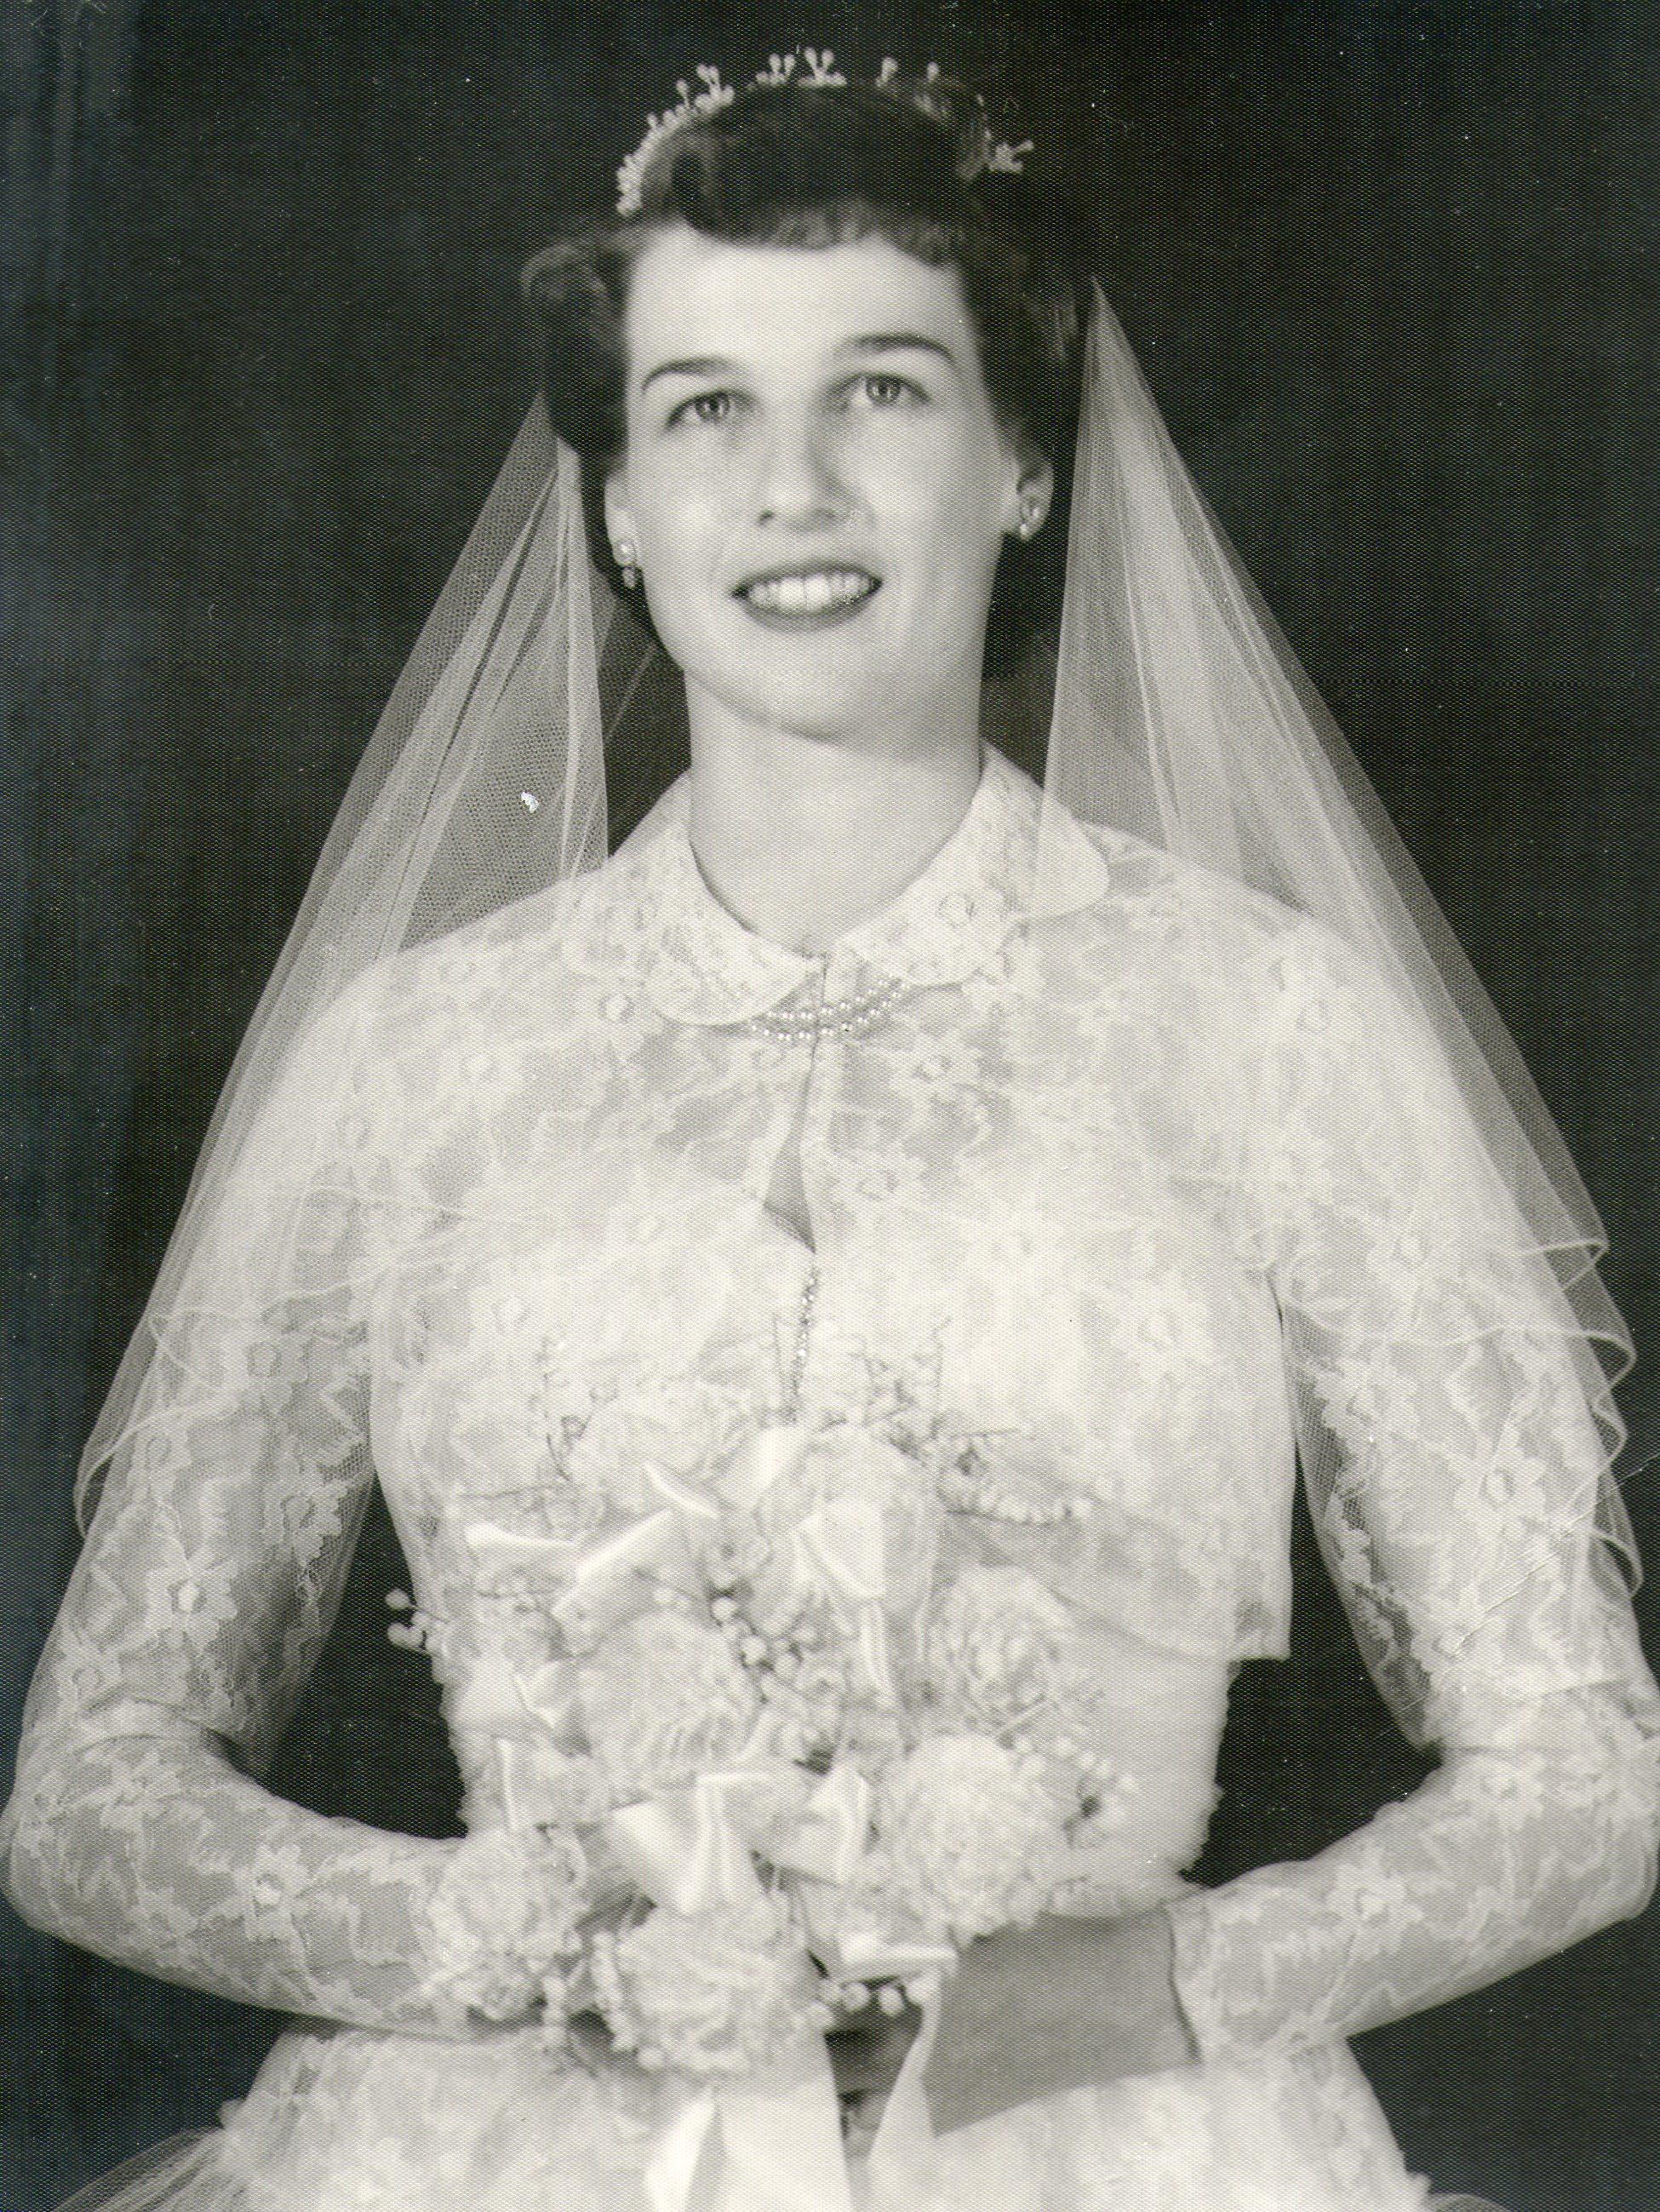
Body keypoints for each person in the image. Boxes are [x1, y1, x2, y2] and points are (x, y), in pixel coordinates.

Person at [3, 55, 1657, 2212]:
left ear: (1029, 465)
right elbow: (87, 1793)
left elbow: (1586, 1771)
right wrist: (502, 1942)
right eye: (703, 410)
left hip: (1110, 2159)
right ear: (614, 503)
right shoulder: (417, 1063)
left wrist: (1157, 1992)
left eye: (881, 393)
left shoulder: (1267, 1025)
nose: (792, 487)